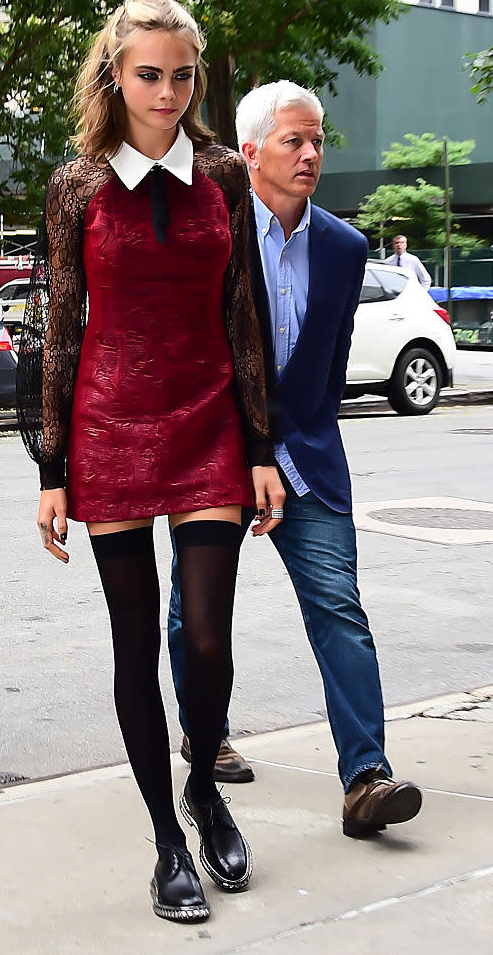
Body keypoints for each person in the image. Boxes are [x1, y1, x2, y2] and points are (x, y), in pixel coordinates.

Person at [16, 0, 284, 924]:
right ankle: (169, 840)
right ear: (114, 76)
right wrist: (51, 468)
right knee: (136, 644)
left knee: (206, 639)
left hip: (210, 418)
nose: (166, 92)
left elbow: (244, 316)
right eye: (147, 74)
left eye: (180, 75)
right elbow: (59, 331)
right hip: (109, 424)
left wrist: (261, 445)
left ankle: (204, 783)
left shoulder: (224, 176)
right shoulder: (77, 185)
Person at [168, 80, 423, 839]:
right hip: (218, 452)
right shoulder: (210, 229)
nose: (311, 153)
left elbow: (327, 362)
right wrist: (240, 448)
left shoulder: (344, 248)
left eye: (318, 140)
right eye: (294, 141)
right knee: (194, 612)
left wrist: (291, 441)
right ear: (250, 153)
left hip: (306, 458)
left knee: (339, 609)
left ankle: (366, 779)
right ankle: (205, 735)